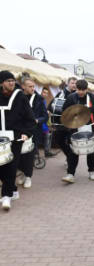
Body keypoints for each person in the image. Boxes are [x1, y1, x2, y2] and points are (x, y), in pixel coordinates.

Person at [0, 71, 36, 210]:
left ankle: (6, 196)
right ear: (2, 82)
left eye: (12, 80)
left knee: (11, 167)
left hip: (15, 138)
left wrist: (26, 133)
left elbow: (30, 118)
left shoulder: (20, 96)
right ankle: (13, 190)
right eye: (8, 80)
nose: (11, 83)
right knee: (1, 167)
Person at [61, 79, 94, 183]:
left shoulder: (93, 98)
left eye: (83, 90)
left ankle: (92, 171)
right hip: (74, 127)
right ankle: (70, 174)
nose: (81, 92)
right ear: (76, 88)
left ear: (87, 89)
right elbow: (64, 111)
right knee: (74, 151)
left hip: (89, 126)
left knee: (90, 150)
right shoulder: (71, 97)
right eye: (79, 89)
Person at [16, 77, 48, 188]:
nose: (33, 88)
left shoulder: (39, 98)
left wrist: (37, 120)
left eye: (34, 86)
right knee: (19, 154)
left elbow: (45, 116)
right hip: (19, 130)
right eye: (30, 86)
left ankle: (28, 177)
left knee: (29, 155)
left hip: (34, 130)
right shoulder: (18, 97)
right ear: (23, 87)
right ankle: (23, 174)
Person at [41, 87, 55, 157]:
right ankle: (46, 152)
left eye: (46, 93)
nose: (45, 94)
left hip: (44, 122)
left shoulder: (44, 100)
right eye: (44, 92)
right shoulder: (39, 100)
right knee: (47, 136)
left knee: (47, 136)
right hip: (40, 123)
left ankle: (47, 151)